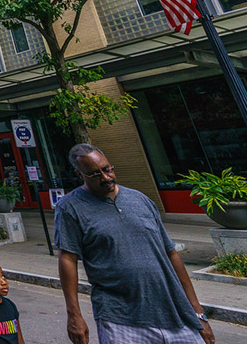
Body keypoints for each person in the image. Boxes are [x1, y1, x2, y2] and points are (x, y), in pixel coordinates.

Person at [55, 144, 213, 344]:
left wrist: (197, 311)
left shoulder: (140, 200)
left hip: (174, 311)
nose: (105, 178)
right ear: (80, 175)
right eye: (95, 174)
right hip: (119, 318)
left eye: (107, 169)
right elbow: (67, 258)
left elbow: (171, 254)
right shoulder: (70, 208)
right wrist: (74, 315)